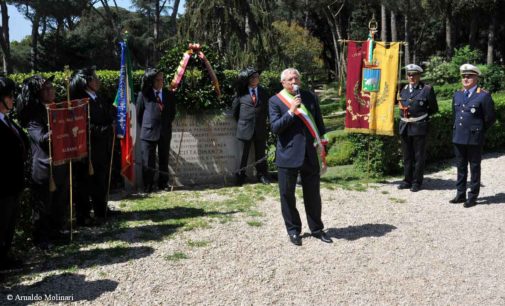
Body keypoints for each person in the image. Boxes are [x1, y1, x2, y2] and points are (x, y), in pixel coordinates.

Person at [268, 68, 332, 246]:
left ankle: (317, 228)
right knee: (287, 195)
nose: (294, 81)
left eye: (296, 78)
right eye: (290, 79)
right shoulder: (275, 101)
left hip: (309, 154)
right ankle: (294, 230)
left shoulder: (310, 97)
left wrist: (322, 145)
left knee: (313, 194)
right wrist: (291, 111)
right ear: (283, 83)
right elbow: (275, 128)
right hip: (288, 154)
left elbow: (319, 123)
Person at [17, 75, 69, 249]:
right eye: (46, 88)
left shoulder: (58, 108)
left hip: (60, 164)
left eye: (52, 87)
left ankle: (57, 232)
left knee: (59, 203)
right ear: (39, 93)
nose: (51, 90)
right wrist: (57, 129)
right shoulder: (34, 115)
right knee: (43, 207)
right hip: (44, 168)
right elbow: (39, 139)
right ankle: (42, 239)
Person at [70, 67, 115, 225]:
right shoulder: (81, 102)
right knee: (85, 182)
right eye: (93, 78)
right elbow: (86, 126)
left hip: (102, 147)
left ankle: (101, 209)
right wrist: (107, 129)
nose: (97, 80)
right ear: (85, 82)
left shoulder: (99, 97)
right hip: (88, 149)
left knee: (100, 179)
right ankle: (84, 215)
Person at [449, 64, 496, 208]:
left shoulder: (483, 95)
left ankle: (473, 196)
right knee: (460, 167)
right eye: (463, 76)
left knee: (474, 167)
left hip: (474, 138)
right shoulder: (457, 94)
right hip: (459, 136)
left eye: (469, 76)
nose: (466, 79)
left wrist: (479, 130)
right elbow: (454, 115)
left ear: (476, 78)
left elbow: (490, 118)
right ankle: (460, 194)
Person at [0, 77, 28, 270]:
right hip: (2, 186)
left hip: (14, 184)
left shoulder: (7, 120)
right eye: (9, 96)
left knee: (8, 226)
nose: (12, 99)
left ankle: (5, 258)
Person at [398, 64, 438, 192]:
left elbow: (434, 109)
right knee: (407, 156)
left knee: (418, 156)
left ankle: (417, 182)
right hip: (404, 126)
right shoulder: (401, 89)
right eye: (409, 75)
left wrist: (420, 117)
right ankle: (407, 180)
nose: (411, 77)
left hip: (419, 127)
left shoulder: (426, 89)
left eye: (414, 74)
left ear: (419, 75)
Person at [137, 68, 176, 192]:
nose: (161, 82)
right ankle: (148, 185)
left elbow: (172, 113)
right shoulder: (144, 95)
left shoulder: (168, 94)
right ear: (152, 81)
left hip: (164, 132)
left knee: (164, 159)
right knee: (148, 161)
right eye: (158, 80)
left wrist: (165, 125)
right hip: (148, 132)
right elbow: (139, 115)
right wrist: (148, 126)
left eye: (162, 79)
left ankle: (163, 183)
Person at [232, 67, 270, 186]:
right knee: (243, 155)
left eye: (257, 77)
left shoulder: (264, 92)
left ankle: (262, 175)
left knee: (261, 154)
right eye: (253, 77)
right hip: (245, 128)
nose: (255, 79)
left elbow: (267, 109)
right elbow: (235, 111)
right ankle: (241, 176)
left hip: (260, 128)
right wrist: (243, 122)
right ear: (248, 79)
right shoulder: (241, 92)